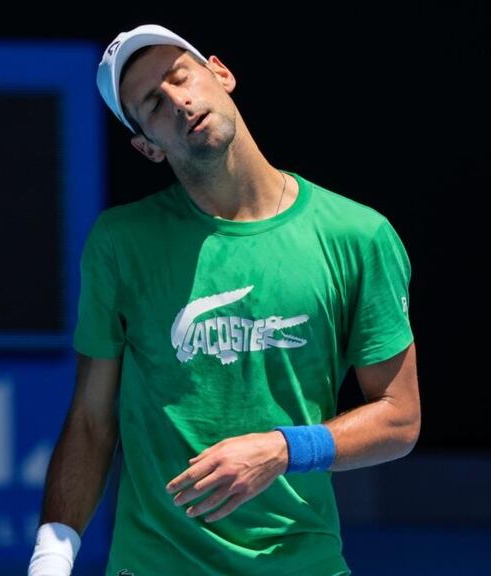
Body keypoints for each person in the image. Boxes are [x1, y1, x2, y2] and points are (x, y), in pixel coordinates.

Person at [27, 24, 420, 576]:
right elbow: (92, 421)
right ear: (148, 147)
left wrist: (283, 449)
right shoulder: (120, 243)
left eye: (180, 77)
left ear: (220, 73)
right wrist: (51, 555)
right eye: (153, 104)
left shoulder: (359, 236)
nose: (179, 102)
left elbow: (400, 420)